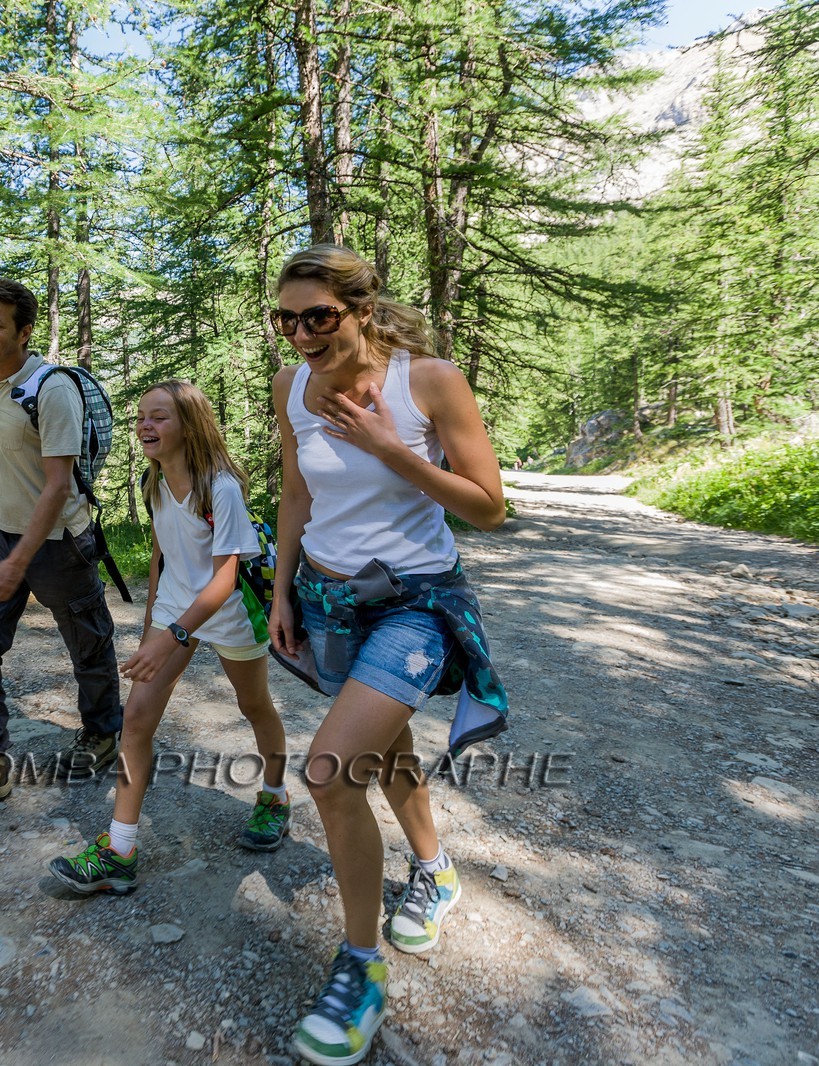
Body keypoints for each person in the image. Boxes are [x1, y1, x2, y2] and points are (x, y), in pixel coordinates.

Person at [268, 245, 509, 1066]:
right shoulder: (292, 386)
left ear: (363, 310)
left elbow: (488, 509)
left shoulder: (427, 381)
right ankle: (435, 872)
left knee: (331, 772)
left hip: (414, 604)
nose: (300, 334)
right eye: (286, 318)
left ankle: (359, 967)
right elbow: (297, 492)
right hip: (330, 604)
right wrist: (281, 593)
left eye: (318, 317)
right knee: (387, 749)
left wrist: (393, 450)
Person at [48, 380, 290, 894]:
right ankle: (120, 849)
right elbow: (162, 555)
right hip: (176, 609)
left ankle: (274, 795)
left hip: (228, 611)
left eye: (158, 417)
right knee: (135, 719)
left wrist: (173, 632)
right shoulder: (154, 480)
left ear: (189, 425)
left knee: (255, 705)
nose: (144, 426)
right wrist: (153, 626)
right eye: (141, 418)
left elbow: (225, 577)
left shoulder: (219, 487)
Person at [0, 277, 124, 822]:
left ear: (24, 330)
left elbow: (58, 485)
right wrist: (5, 549)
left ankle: (103, 734)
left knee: (87, 643)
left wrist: (19, 562)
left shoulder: (51, 388)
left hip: (58, 543)